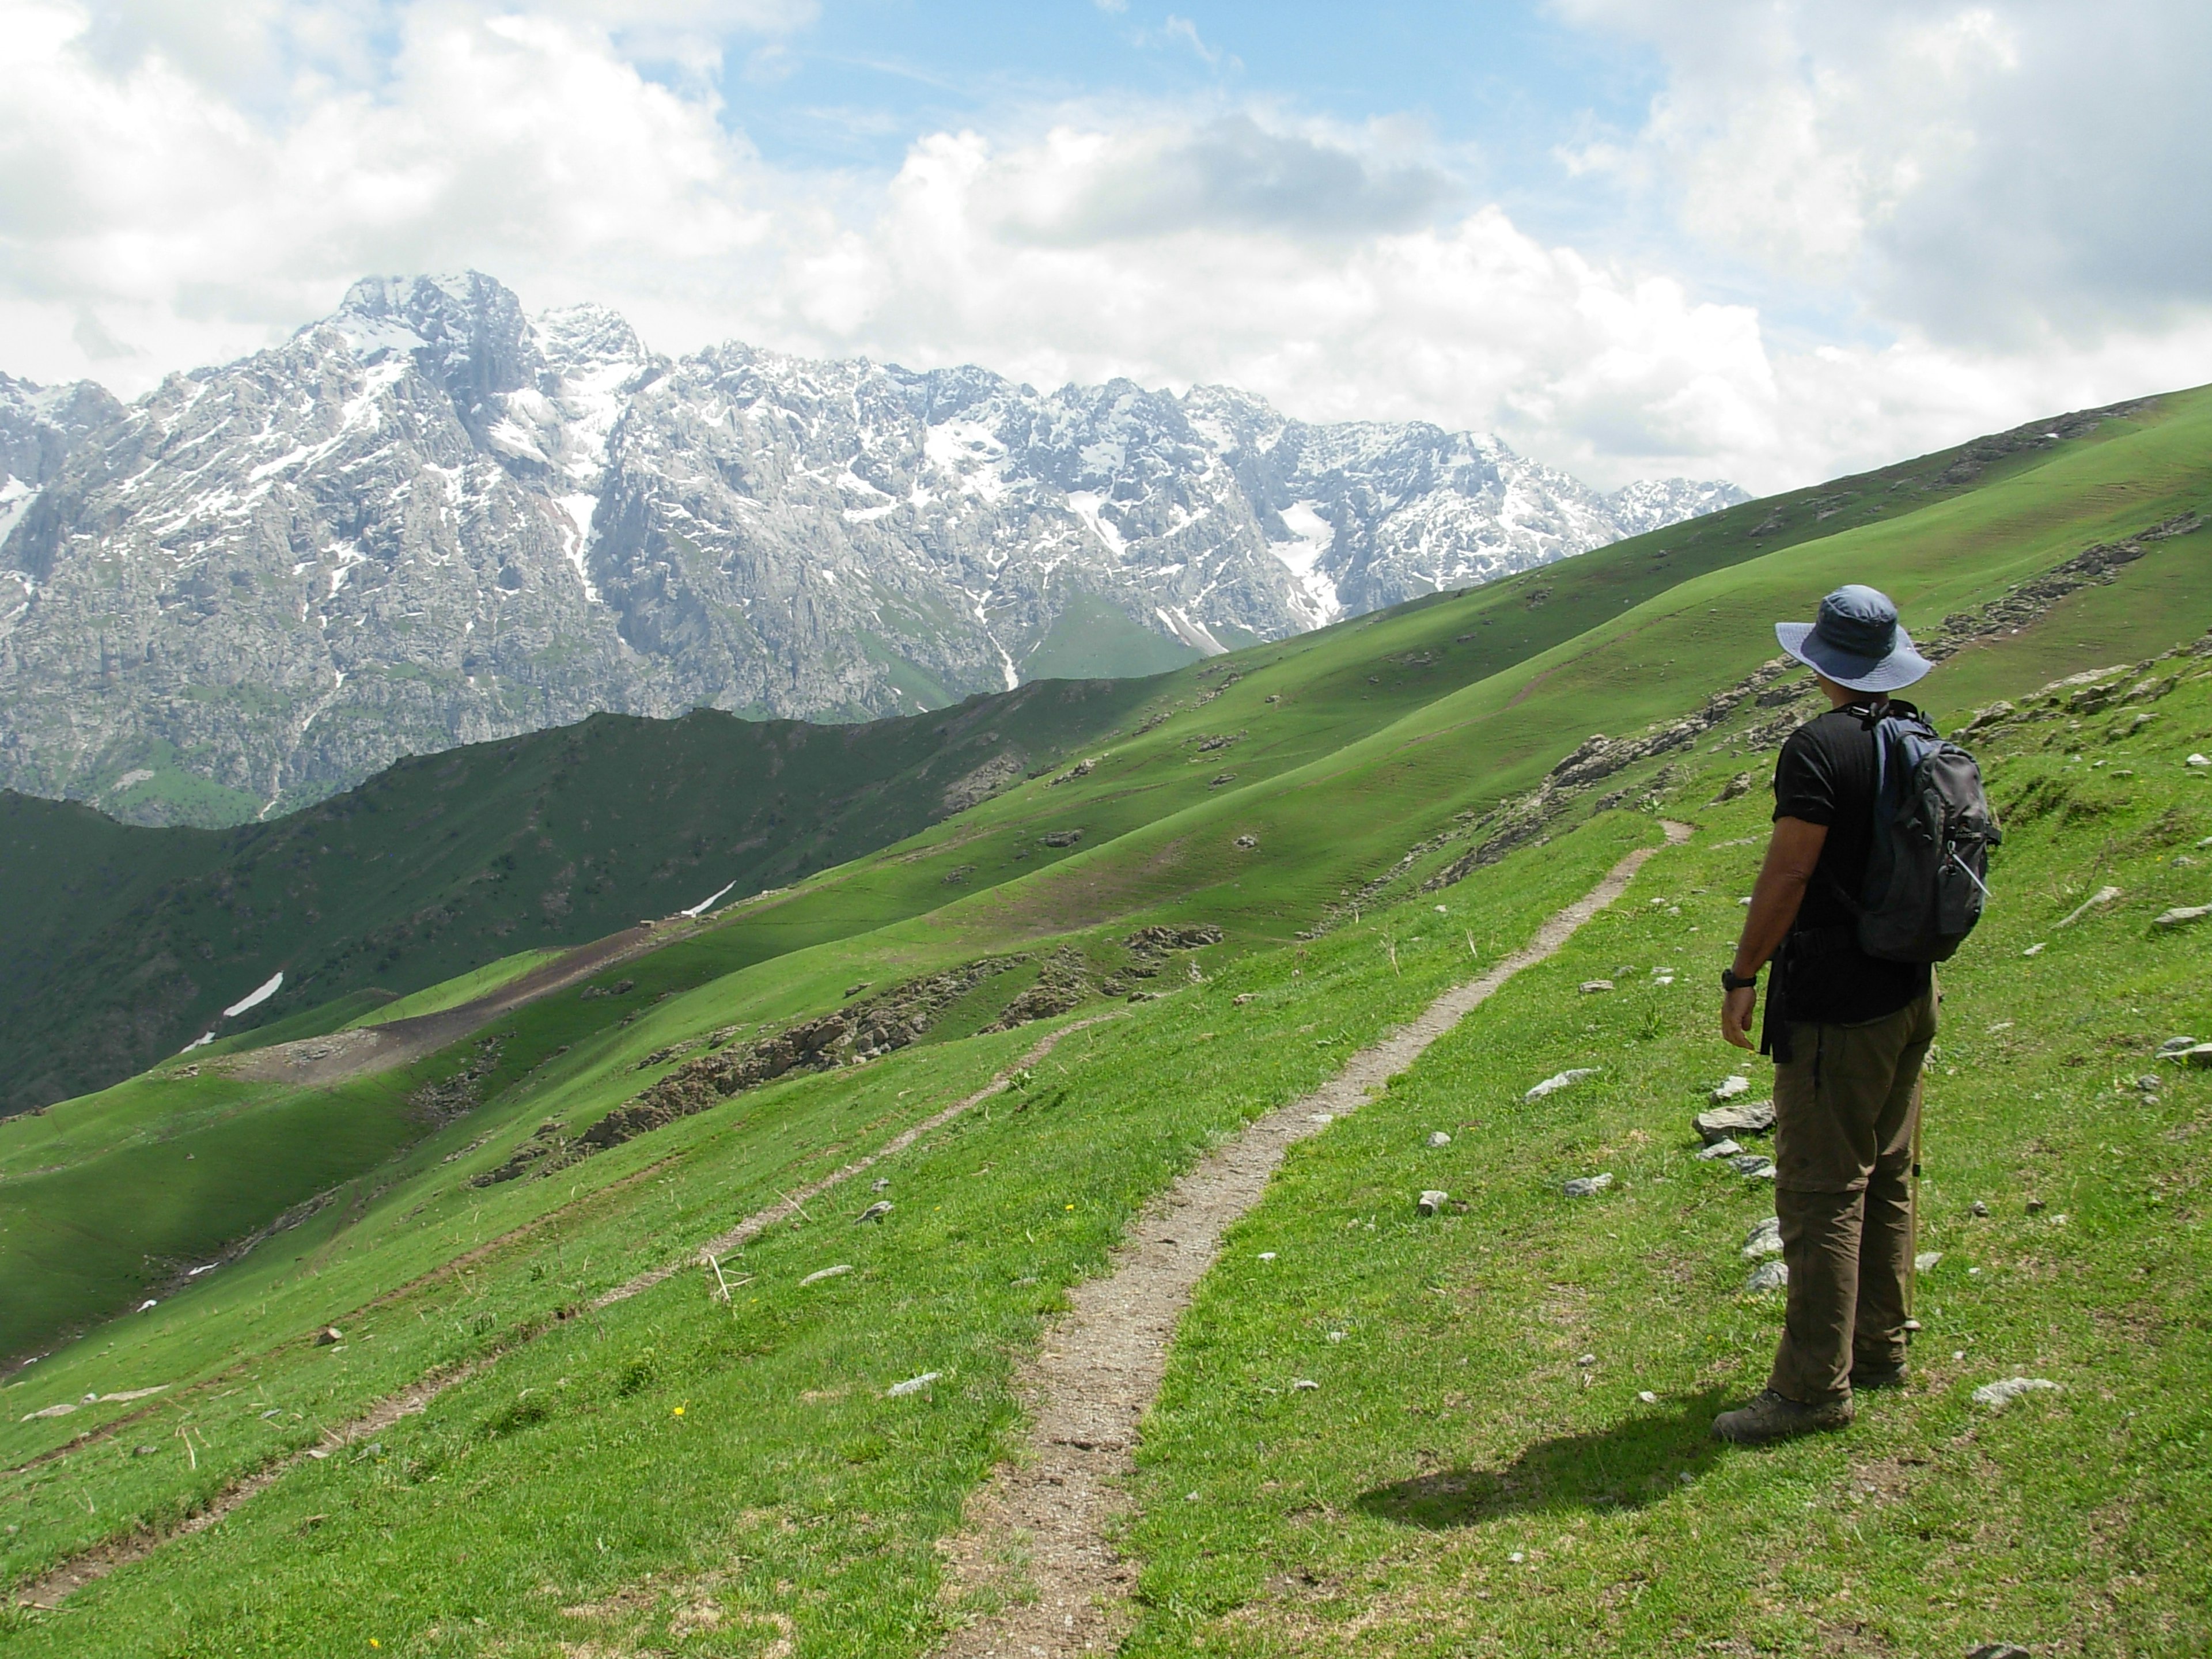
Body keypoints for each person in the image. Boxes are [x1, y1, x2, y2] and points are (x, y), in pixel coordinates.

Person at [1711, 585, 1939, 1445]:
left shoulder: (1817, 749)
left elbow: (1789, 875)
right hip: (1909, 989)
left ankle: (1811, 1391)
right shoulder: (1916, 734)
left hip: (1837, 1005)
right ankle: (1880, 1349)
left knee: (1819, 1192)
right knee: (1886, 1172)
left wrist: (1744, 971)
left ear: (1819, 663)